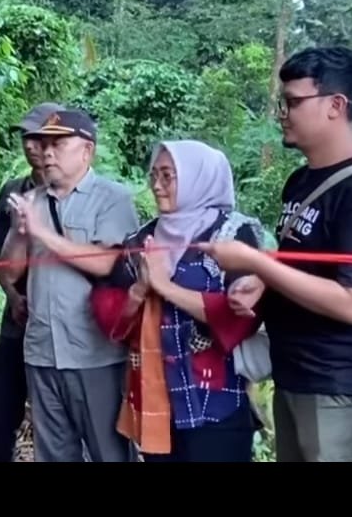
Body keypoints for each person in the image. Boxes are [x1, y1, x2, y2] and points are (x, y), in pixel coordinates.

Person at [207, 46, 352, 462]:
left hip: (339, 388)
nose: (283, 113)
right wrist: (261, 282)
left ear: (336, 105)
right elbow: (302, 266)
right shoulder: (300, 182)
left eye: (293, 102)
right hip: (294, 373)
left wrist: (256, 262)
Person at [90, 140, 266, 462]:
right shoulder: (142, 240)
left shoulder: (232, 236)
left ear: (198, 178)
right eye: (153, 175)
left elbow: (242, 317)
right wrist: (139, 290)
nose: (157, 186)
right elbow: (110, 319)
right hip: (157, 403)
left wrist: (165, 287)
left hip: (216, 405)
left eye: (168, 176)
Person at [0, 107, 138, 462]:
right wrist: (19, 228)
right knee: (54, 453)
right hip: (42, 350)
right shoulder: (33, 201)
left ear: (87, 151)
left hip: (94, 353)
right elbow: (11, 272)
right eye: (43, 144)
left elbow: (106, 261)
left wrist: (42, 231)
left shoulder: (112, 198)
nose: (46, 153)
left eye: (58, 145)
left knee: (108, 451)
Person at [0, 102, 59, 462]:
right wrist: (13, 296)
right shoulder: (13, 191)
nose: (30, 145)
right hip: (17, 326)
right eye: (26, 137)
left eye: (38, 137)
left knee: (57, 426)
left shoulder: (76, 195)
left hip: (62, 333)